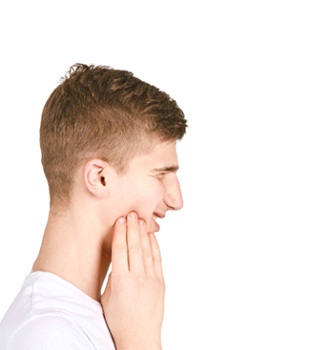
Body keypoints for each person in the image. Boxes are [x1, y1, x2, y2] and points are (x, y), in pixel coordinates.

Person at [0, 63, 187, 349]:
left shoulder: (96, 318)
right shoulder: (48, 336)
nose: (176, 200)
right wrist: (141, 339)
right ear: (99, 178)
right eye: (161, 174)